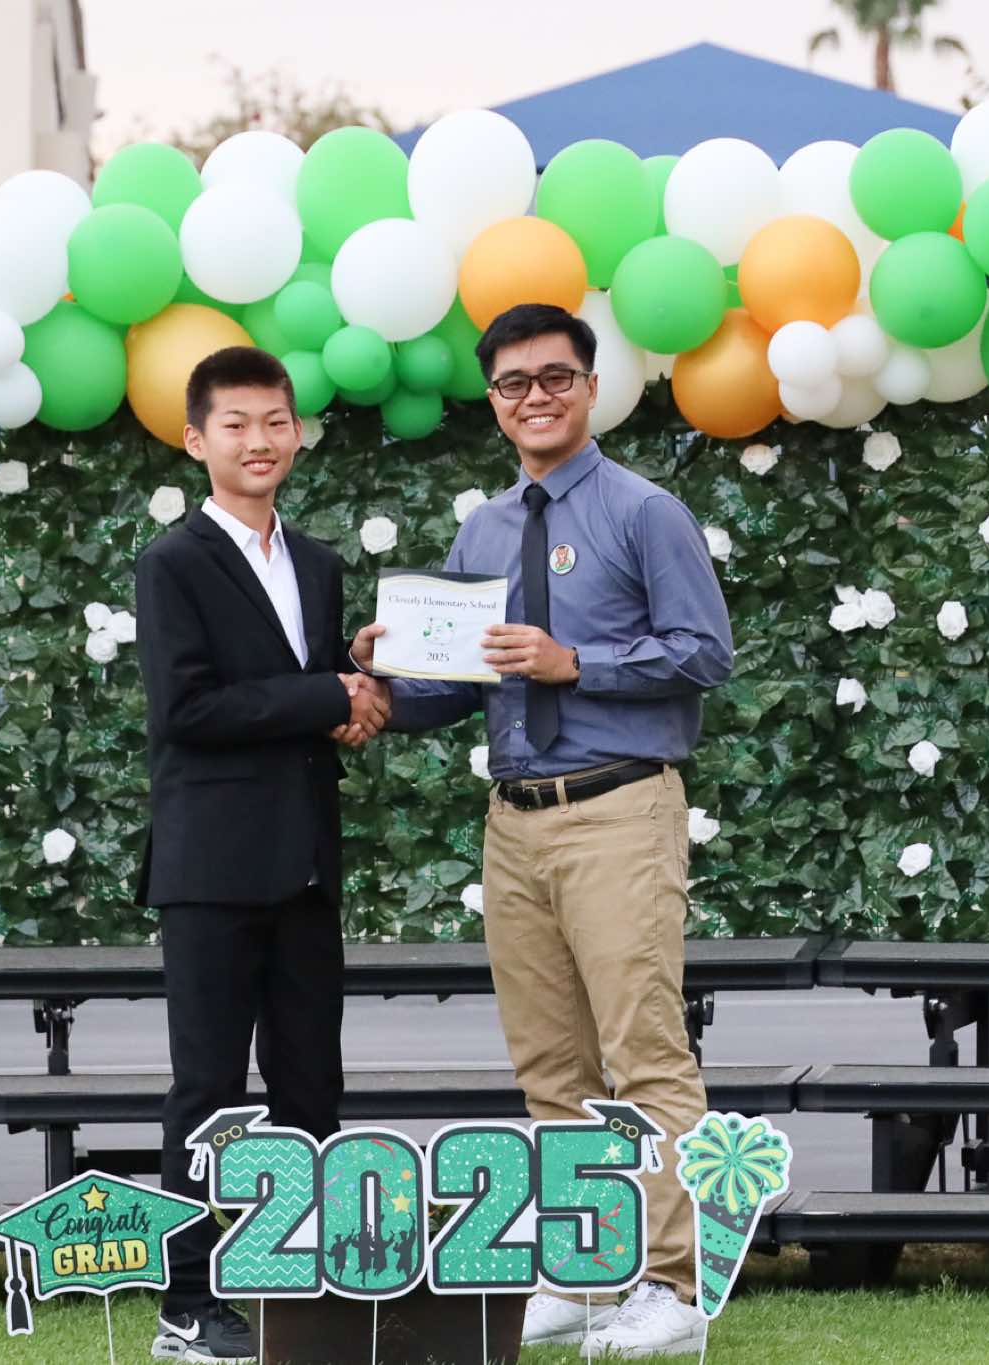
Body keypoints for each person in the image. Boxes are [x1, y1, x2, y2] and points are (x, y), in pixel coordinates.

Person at [355, 303, 734, 1359]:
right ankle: (585, 1266)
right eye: (514, 382)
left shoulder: (644, 511)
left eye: (555, 377)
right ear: (493, 401)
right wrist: (380, 681)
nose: (536, 397)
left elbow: (706, 652)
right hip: (514, 820)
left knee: (643, 1052)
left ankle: (675, 1286)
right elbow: (458, 686)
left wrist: (578, 665)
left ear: (591, 387)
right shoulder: (483, 529)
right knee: (550, 1067)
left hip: (618, 806)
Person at [137, 346, 391, 1362]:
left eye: (274, 421)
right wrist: (326, 694)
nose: (258, 440)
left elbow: (311, 691)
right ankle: (187, 1304)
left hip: (304, 864)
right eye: (235, 424)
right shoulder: (172, 562)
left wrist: (357, 684)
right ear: (195, 440)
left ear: (297, 433)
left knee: (311, 1086)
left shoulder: (319, 563)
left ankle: (303, 1285)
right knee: (206, 1092)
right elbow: (187, 708)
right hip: (209, 870)